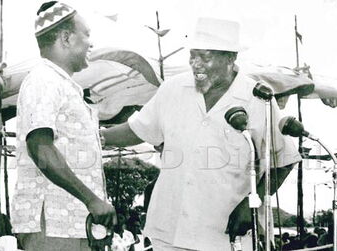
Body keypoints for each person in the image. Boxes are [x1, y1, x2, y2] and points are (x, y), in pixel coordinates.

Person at [102, 17, 301, 250]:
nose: (196, 64)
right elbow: (138, 129)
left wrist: (251, 204)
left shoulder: (257, 98)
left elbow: (285, 159)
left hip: (224, 236)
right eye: (192, 55)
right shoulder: (173, 88)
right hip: (169, 231)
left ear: (230, 58)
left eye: (205, 57)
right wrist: (95, 137)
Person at [10, 1, 116, 250]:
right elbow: (40, 147)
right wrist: (92, 200)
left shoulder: (61, 84)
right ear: (66, 38)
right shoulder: (44, 79)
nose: (91, 43)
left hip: (71, 224)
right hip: (53, 225)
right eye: (87, 34)